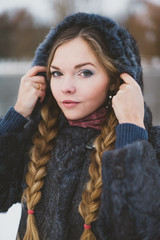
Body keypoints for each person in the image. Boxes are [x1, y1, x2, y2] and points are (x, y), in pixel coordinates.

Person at [0, 12, 160, 240]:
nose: (66, 87)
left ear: (118, 80)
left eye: (85, 72)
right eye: (56, 73)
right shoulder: (37, 138)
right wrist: (17, 116)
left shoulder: (151, 148)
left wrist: (132, 133)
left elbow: (139, 232)